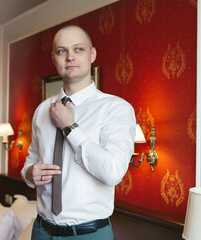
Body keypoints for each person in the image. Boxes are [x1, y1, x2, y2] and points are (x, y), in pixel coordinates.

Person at [21, 25, 136, 239]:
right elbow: (31, 159)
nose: (70, 57)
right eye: (62, 51)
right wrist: (29, 173)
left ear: (92, 54)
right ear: (54, 58)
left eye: (79, 49)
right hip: (41, 231)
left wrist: (70, 128)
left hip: (88, 234)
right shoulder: (42, 110)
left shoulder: (116, 108)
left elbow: (113, 172)